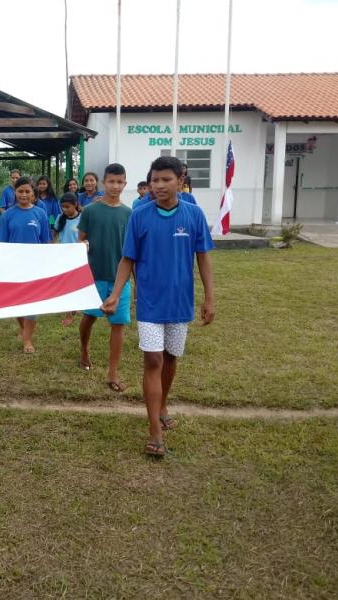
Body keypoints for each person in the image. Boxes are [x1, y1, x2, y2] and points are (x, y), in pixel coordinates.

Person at [102, 156, 215, 457]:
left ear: (180, 180)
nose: (159, 185)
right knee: (153, 360)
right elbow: (128, 258)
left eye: (166, 179)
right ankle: (154, 431)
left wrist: (210, 298)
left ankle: (163, 403)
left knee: (171, 358)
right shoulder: (139, 216)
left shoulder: (193, 215)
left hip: (180, 303)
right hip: (150, 303)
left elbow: (203, 257)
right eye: (155, 180)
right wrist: (115, 294)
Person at [77, 163, 132, 390]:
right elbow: (80, 241)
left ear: (125, 184)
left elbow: (132, 251)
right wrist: (84, 246)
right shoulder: (90, 211)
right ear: (103, 183)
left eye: (120, 182)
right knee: (89, 317)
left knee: (118, 324)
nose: (115, 186)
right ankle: (84, 349)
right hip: (94, 276)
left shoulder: (129, 214)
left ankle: (112, 372)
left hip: (120, 279)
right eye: (111, 181)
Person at [0, 176, 51, 353]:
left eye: (28, 191)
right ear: (15, 193)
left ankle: (27, 340)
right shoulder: (7, 215)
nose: (24, 194)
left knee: (32, 304)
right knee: (16, 303)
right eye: (20, 191)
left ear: (33, 193)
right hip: (13, 267)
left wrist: (46, 264)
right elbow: (1, 243)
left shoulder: (40, 214)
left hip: (34, 267)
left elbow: (46, 243)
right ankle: (23, 328)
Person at [53, 191, 82, 326]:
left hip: (78, 257)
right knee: (66, 285)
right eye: (62, 207)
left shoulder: (82, 218)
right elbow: (55, 234)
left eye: (67, 207)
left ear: (75, 205)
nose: (64, 209)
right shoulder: (60, 218)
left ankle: (71, 311)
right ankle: (69, 311)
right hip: (63, 256)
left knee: (75, 285)